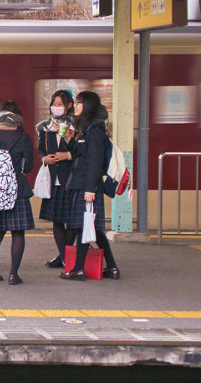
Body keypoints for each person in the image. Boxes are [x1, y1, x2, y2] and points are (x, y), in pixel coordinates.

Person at [60, 91, 120, 281]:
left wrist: (89, 189)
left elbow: (94, 161)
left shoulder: (95, 130)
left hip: (87, 186)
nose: (75, 106)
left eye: (79, 103)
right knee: (94, 228)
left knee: (83, 226)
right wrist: (70, 139)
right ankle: (112, 267)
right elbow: (79, 155)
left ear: (88, 107)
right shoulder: (85, 129)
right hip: (82, 183)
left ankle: (78, 269)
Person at [0, 101, 34, 285]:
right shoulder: (23, 138)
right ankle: (13, 274)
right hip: (16, 190)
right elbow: (28, 166)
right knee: (18, 233)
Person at [36, 90, 77, 268]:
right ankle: (65, 257)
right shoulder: (45, 127)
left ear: (69, 106)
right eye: (54, 104)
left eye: (60, 104)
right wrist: (44, 159)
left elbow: (82, 152)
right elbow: (40, 150)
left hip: (71, 178)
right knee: (57, 220)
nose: (56, 107)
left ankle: (65, 256)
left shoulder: (77, 126)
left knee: (73, 221)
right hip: (53, 179)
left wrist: (67, 155)